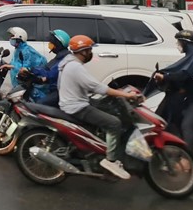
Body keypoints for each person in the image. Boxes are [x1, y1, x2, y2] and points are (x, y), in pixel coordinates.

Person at [58, 35, 140, 180]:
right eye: (89, 50)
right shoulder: (75, 66)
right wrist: (125, 95)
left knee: (105, 107)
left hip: (73, 102)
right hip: (77, 107)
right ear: (83, 51)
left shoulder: (68, 63)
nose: (91, 53)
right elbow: (96, 87)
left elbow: (88, 85)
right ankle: (111, 161)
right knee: (114, 123)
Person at [29, 30, 71, 106]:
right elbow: (46, 68)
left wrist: (33, 71)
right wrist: (31, 71)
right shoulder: (59, 57)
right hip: (55, 90)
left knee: (40, 105)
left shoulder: (65, 59)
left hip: (60, 92)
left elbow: (50, 74)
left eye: (51, 42)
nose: (49, 44)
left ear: (57, 44)